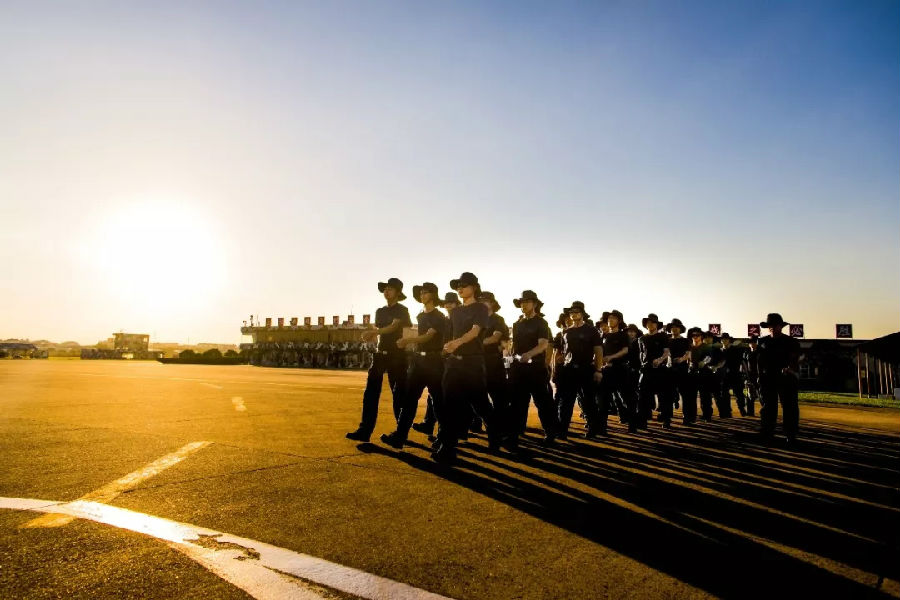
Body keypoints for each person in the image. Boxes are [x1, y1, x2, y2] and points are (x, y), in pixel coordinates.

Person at [433, 272, 500, 464]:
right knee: (449, 405)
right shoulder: (454, 312)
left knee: (480, 404)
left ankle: (495, 433)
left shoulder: (480, 308)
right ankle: (447, 447)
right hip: (454, 363)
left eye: (464, 285)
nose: (460, 289)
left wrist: (457, 343)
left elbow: (475, 331)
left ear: (474, 287)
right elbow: (450, 335)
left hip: (473, 362)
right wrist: (447, 347)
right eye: (457, 286)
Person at [381, 283, 449, 449]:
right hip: (419, 362)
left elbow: (428, 337)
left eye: (425, 292)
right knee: (409, 400)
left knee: (439, 402)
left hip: (434, 363)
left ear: (433, 295)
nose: (422, 295)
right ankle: (400, 436)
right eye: (421, 292)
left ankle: (444, 440)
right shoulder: (420, 315)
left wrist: (408, 340)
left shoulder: (438, 316)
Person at [346, 277, 412, 442]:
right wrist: (370, 335)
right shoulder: (380, 311)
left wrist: (374, 332)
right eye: (385, 289)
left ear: (397, 292)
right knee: (371, 393)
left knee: (398, 394)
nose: (386, 291)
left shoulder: (402, 310)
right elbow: (379, 328)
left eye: (390, 289)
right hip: (381, 353)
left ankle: (400, 432)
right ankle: (364, 430)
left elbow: (394, 326)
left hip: (397, 355)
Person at [506, 290, 561, 449]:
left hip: (535, 368)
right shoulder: (517, 323)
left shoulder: (541, 323)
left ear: (535, 304)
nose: (523, 305)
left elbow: (543, 344)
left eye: (527, 302)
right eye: (521, 302)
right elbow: (513, 347)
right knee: (517, 403)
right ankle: (513, 435)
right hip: (518, 368)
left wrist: (528, 354)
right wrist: (510, 360)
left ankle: (550, 433)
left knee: (543, 402)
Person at [413, 291, 459, 438]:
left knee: (450, 398)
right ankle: (430, 425)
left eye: (451, 303)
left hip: (457, 362)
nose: (448, 305)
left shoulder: (461, 321)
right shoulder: (445, 320)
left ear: (457, 304)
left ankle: (452, 432)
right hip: (442, 361)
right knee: (436, 396)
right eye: (446, 303)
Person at [557, 301, 605, 439]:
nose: (573, 314)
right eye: (571, 312)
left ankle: (592, 429)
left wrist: (598, 370)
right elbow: (562, 351)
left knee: (588, 401)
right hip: (568, 371)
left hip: (586, 370)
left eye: (576, 312)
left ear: (582, 314)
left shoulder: (591, 330)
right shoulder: (566, 331)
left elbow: (598, 351)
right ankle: (562, 431)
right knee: (566, 402)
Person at [756, 313, 801, 445]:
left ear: (781, 326)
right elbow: (759, 361)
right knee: (768, 407)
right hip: (768, 378)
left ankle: (790, 434)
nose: (772, 328)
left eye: (775, 325)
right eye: (770, 326)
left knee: (790, 407)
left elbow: (795, 359)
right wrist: (759, 376)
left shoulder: (791, 342)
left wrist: (790, 368)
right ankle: (767, 432)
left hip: (786, 378)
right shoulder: (762, 342)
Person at [599, 310, 636, 430]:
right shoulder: (603, 335)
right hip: (606, 371)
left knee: (626, 398)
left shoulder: (622, 335)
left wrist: (611, 357)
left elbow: (625, 350)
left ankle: (632, 423)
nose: (610, 320)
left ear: (619, 321)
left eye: (614, 318)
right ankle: (602, 427)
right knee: (603, 399)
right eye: (609, 318)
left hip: (620, 370)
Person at [478, 291, 510, 428]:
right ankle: (478, 424)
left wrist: (476, 342)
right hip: (478, 361)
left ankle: (501, 427)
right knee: (478, 396)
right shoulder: (477, 320)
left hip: (493, 363)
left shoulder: (498, 319)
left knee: (498, 397)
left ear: (492, 303)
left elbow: (496, 338)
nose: (482, 303)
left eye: (485, 300)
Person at [637, 314, 672, 429]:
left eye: (653, 322)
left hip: (660, 370)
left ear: (657, 324)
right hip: (646, 370)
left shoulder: (663, 337)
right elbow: (641, 354)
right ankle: (642, 421)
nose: (650, 324)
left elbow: (666, 352)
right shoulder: (642, 339)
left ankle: (666, 420)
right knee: (642, 395)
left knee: (663, 396)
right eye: (648, 322)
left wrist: (660, 359)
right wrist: (641, 365)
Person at [720, 333, 748, 416]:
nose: (724, 340)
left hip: (735, 374)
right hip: (724, 376)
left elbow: (742, 362)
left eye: (726, 339)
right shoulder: (720, 351)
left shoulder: (735, 350)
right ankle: (728, 411)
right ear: (721, 340)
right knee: (725, 394)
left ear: (729, 340)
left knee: (739, 394)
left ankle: (742, 408)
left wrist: (746, 374)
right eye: (723, 339)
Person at [743, 336, 760, 416]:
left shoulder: (761, 352)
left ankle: (766, 412)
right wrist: (745, 376)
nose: (751, 344)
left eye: (753, 342)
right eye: (750, 342)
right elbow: (744, 364)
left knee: (761, 395)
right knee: (749, 395)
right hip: (750, 376)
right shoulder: (746, 353)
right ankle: (750, 412)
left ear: (756, 342)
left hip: (760, 376)